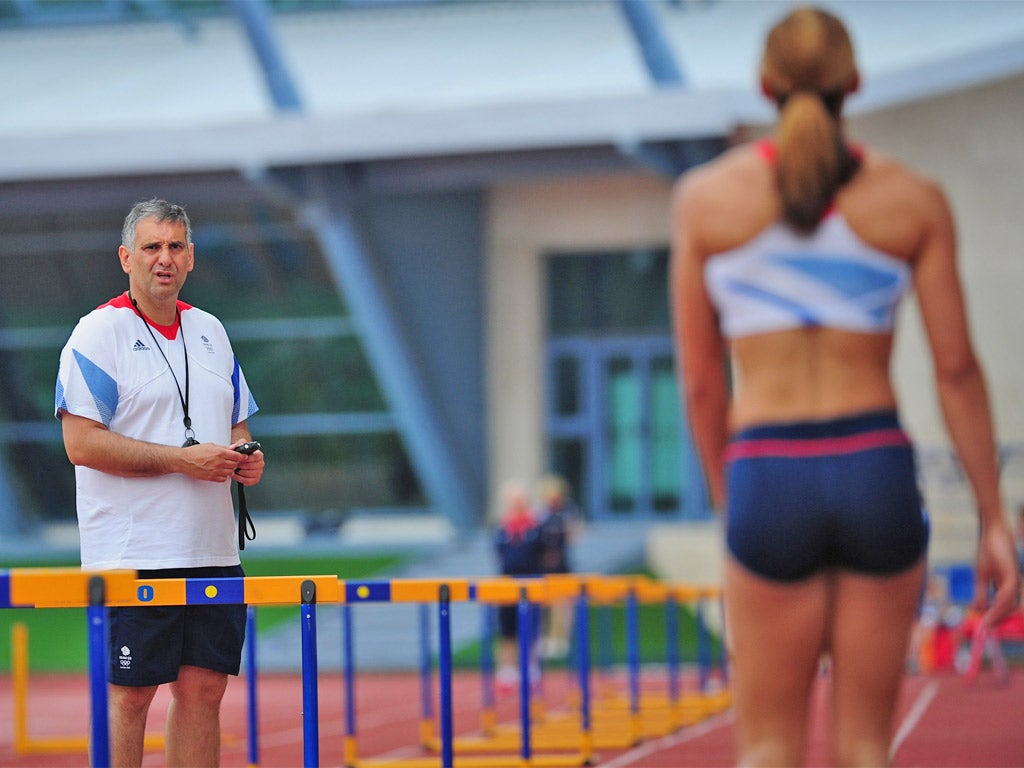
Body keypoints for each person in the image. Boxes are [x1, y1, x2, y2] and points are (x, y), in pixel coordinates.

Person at [669, 7, 1020, 766]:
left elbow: (700, 383)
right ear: (853, 83)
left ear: (764, 85)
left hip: (768, 469)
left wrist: (731, 502)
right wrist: (993, 515)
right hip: (874, 468)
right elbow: (956, 369)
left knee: (767, 749)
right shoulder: (911, 199)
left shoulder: (704, 202)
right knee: (865, 749)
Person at [55, 199, 264, 767]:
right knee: (130, 697)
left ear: (191, 257)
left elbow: (237, 424)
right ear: (126, 257)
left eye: (175, 247)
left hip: (213, 549)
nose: (164, 259)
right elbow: (81, 444)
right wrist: (181, 460)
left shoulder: (211, 330)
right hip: (133, 552)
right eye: (151, 247)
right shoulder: (99, 331)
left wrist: (247, 457)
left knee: (204, 691)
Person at [492, 480, 543, 694]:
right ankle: (506, 670)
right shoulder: (503, 527)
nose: (515, 504)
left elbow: (544, 552)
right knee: (506, 629)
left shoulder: (535, 526)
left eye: (519, 500)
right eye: (512, 501)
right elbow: (499, 552)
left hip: (530, 583)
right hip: (507, 583)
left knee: (531, 627)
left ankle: (531, 669)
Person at [535, 473, 581, 659]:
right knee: (543, 600)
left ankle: (562, 638)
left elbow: (574, 532)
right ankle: (545, 638)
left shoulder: (568, 509)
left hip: (561, 562)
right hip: (543, 563)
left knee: (563, 601)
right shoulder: (541, 511)